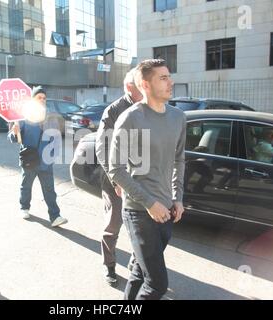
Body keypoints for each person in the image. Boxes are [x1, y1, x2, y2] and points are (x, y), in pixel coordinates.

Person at [109, 59, 186, 300]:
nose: (170, 82)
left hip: (167, 210)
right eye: (162, 78)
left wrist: (178, 198)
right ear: (145, 84)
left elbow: (179, 160)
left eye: (169, 76)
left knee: (138, 274)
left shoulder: (178, 117)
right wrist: (150, 202)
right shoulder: (131, 118)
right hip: (139, 211)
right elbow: (116, 169)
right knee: (156, 285)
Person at [95, 68, 143, 287]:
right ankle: (110, 265)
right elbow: (101, 148)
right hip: (115, 178)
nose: (144, 86)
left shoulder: (148, 107)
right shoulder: (114, 110)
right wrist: (116, 181)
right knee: (113, 225)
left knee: (140, 226)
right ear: (129, 87)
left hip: (140, 177)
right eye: (139, 83)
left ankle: (136, 264)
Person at [9, 86, 68, 227]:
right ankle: (24, 207)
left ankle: (55, 216)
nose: (42, 100)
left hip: (46, 161)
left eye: (44, 98)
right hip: (29, 158)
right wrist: (14, 132)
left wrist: (53, 155)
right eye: (39, 97)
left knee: (49, 190)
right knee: (26, 186)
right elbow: (13, 138)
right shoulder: (23, 117)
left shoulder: (51, 117)